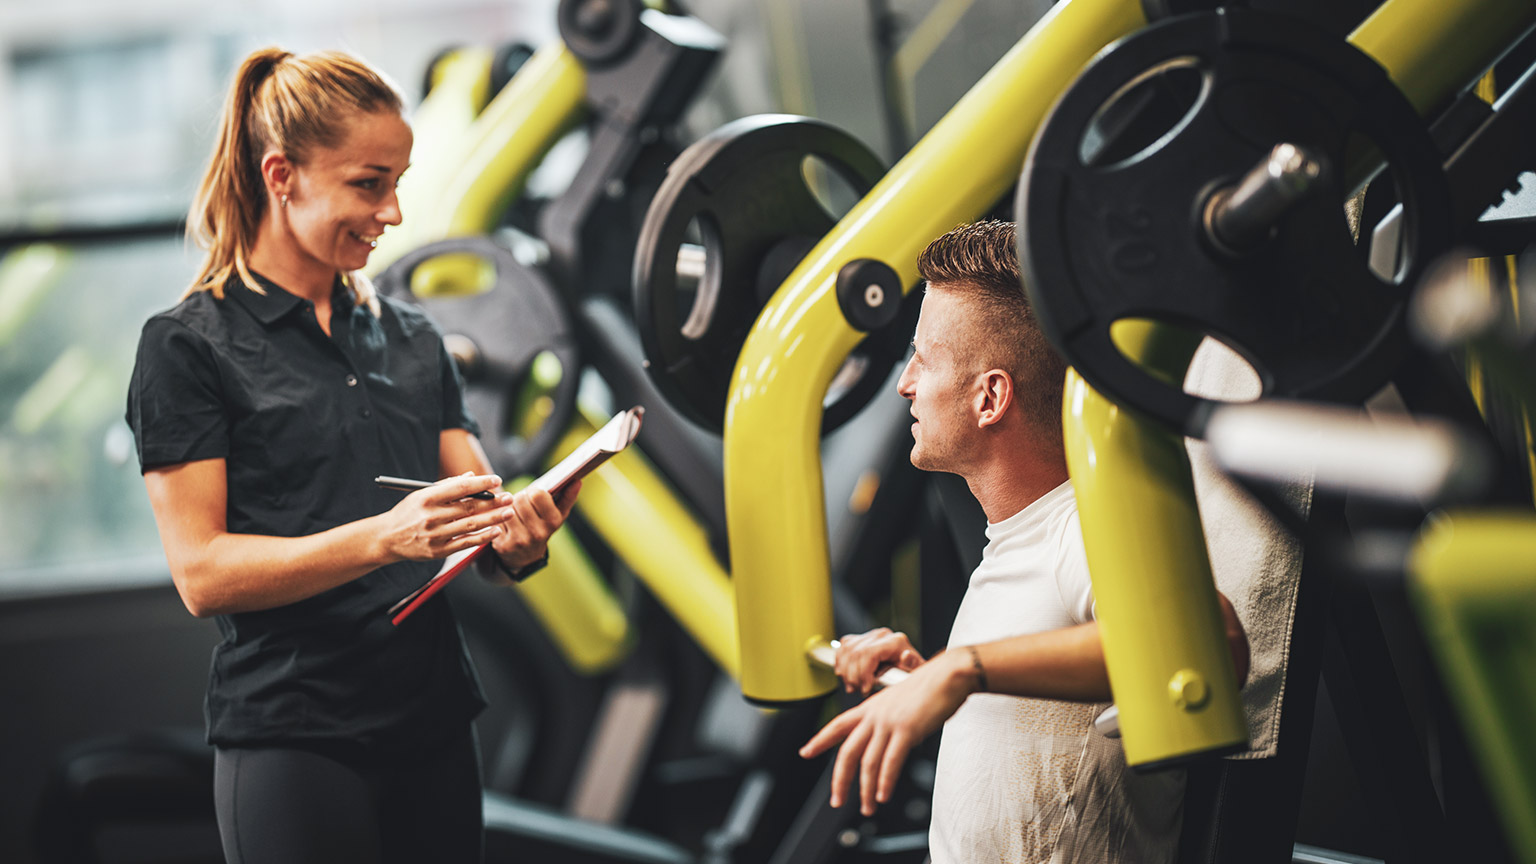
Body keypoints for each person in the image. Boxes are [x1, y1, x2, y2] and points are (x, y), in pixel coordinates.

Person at [125, 47, 578, 864]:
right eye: (369, 185)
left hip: (434, 722)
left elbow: (478, 510)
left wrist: (519, 536)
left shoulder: (412, 336)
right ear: (281, 175)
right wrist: (384, 538)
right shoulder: (187, 347)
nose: (394, 213)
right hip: (295, 738)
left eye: (398, 183)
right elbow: (202, 572)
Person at [799, 220, 1249, 864]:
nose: (904, 383)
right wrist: (922, 678)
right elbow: (1047, 729)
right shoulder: (1017, 540)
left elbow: (1214, 641)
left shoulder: (1082, 531)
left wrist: (963, 669)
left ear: (991, 398)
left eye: (923, 359)